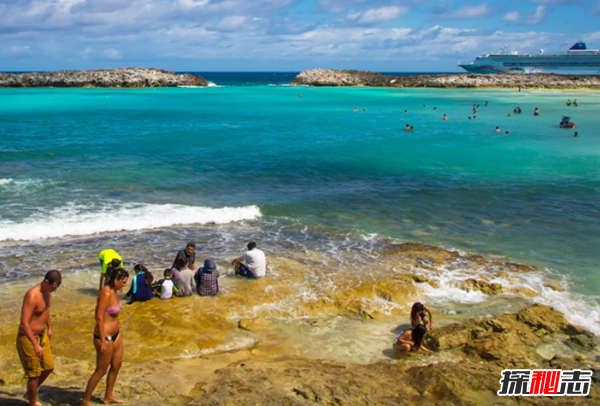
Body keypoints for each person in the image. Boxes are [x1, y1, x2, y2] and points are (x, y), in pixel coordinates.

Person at [81, 267, 129, 406]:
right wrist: (102, 341)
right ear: (115, 280)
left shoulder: (114, 291)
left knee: (116, 365)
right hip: (105, 338)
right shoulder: (105, 293)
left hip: (116, 335)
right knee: (101, 370)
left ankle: (108, 396)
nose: (124, 285)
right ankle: (85, 400)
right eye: (123, 282)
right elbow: (99, 317)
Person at [17, 270, 62, 406]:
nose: (53, 291)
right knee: (33, 374)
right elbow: (24, 323)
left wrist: (50, 327)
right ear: (46, 282)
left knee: (48, 367)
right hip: (28, 337)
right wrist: (35, 344)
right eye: (53, 288)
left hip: (42, 336)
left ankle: (30, 392)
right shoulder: (32, 295)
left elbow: (45, 310)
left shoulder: (48, 294)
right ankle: (32, 402)